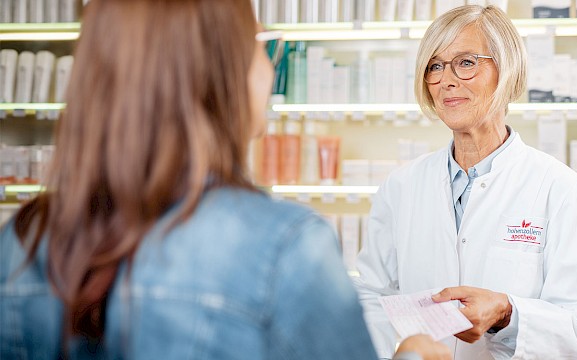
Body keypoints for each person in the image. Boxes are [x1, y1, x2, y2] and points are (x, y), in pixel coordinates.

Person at [0, 1, 451, 359]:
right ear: (218, 70)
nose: (269, 68)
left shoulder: (22, 239)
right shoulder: (283, 247)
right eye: (258, 46)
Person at [353, 5, 577, 360]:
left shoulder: (561, 189)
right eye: (434, 66)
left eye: (465, 62)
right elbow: (371, 297)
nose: (446, 79)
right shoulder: (401, 187)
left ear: (506, 70)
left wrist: (507, 313)